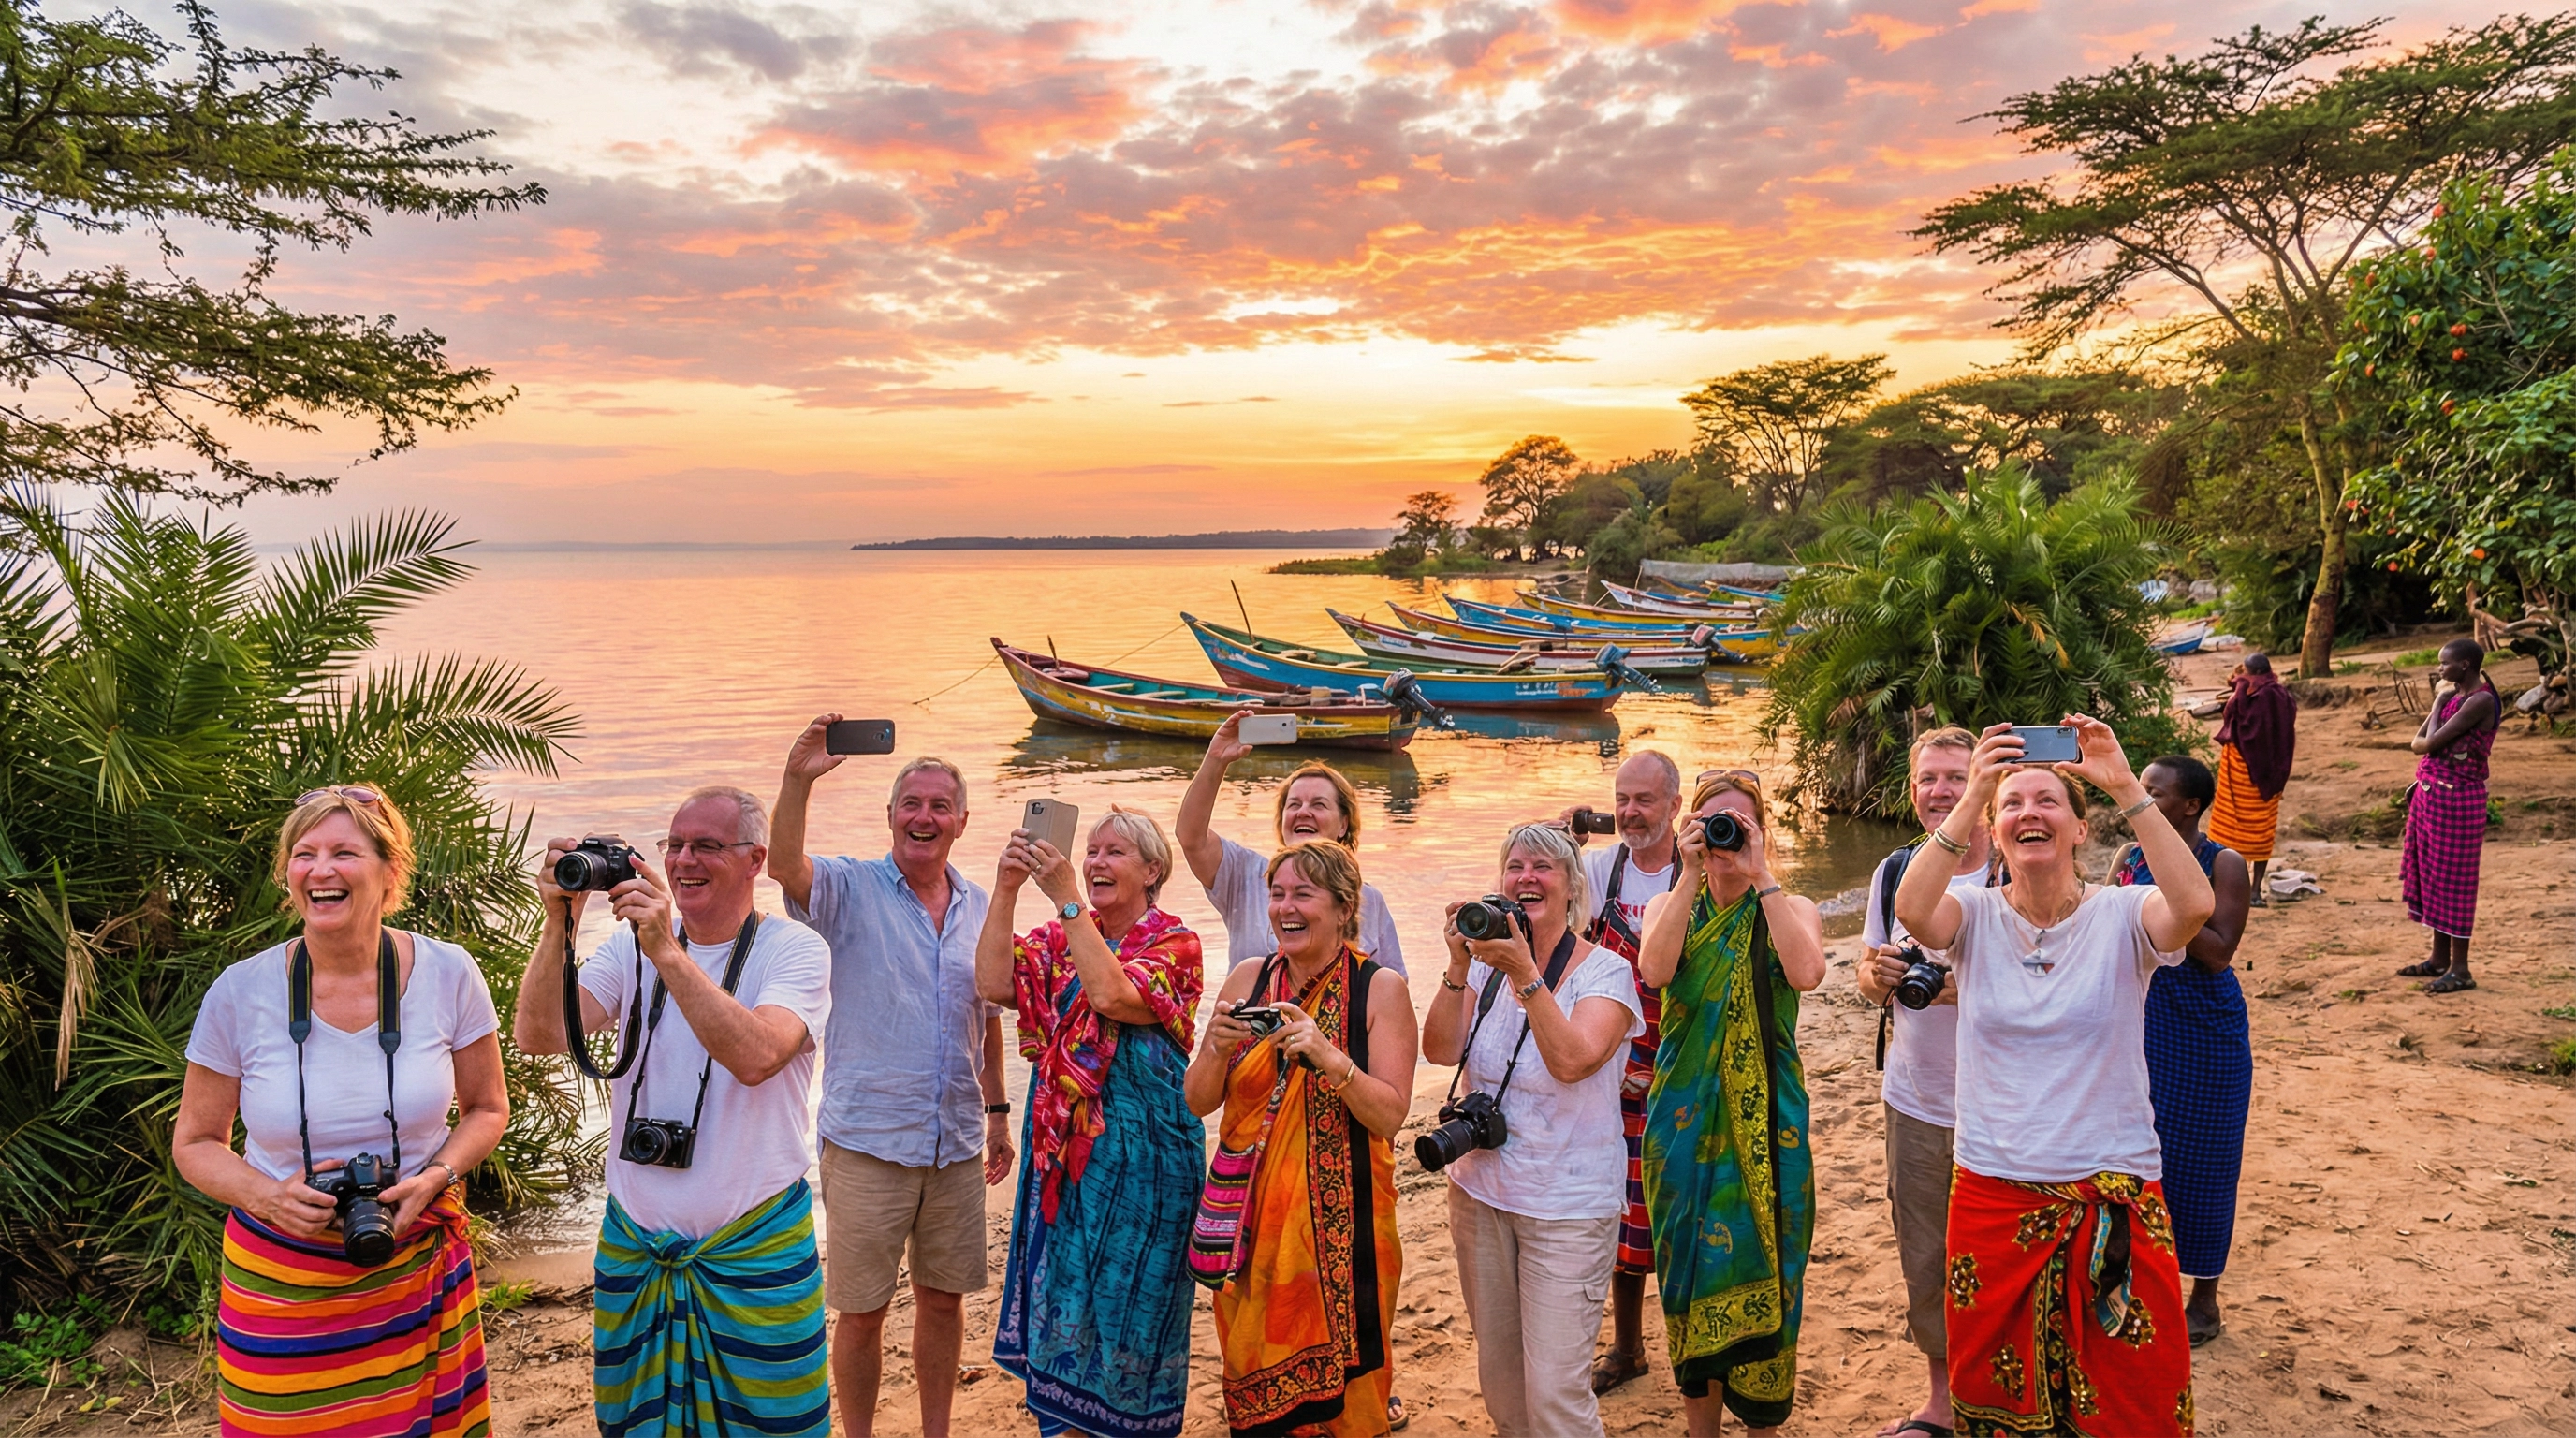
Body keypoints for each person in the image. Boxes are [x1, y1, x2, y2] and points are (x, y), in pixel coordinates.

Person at [1893, 718, 2216, 1438]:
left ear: (2079, 830)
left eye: (2047, 802)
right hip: (1993, 1189)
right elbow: (1913, 909)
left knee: (2136, 1401)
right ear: (1996, 834)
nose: (2028, 813)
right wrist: (1974, 787)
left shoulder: (2126, 915)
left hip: (2114, 1186)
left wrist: (2126, 784)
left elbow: (2195, 907)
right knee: (2002, 1405)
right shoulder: (1970, 914)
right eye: (2012, 806)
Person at [175, 785, 507, 1438]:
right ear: (289, 877)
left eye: (344, 853)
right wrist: (269, 1198)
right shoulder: (239, 992)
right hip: (282, 1278)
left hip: (414, 1262)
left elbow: (488, 1108)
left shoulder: (450, 972)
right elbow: (195, 1143)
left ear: (390, 872)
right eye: (304, 854)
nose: (320, 870)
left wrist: (435, 1176)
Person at [514, 787, 833, 1438]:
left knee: (780, 1423)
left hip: (755, 1249)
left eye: (707, 846)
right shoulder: (628, 948)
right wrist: (559, 923)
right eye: (675, 845)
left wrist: (666, 950)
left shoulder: (795, 950)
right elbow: (541, 1033)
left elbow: (757, 1055)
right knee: (636, 1424)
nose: (684, 860)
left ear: (755, 860)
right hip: (636, 1245)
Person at [769, 725, 1016, 1438]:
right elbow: (785, 866)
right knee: (862, 1309)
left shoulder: (980, 905)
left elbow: (988, 1014)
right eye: (911, 803)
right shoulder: (849, 888)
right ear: (890, 816)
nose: (924, 817)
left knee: (944, 1301)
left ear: (962, 821)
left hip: (956, 1144)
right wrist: (799, 778)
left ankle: (935, 1430)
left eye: (940, 805)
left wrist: (999, 1114)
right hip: (868, 1141)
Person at [975, 806, 1204, 1438]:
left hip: (1148, 1160)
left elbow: (1113, 997)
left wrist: (1070, 900)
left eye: (1114, 853)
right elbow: (993, 982)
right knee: (1067, 1302)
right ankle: (1074, 1425)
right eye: (1092, 851)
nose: (1096, 862)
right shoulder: (1056, 939)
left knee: (1137, 1307)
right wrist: (1005, 887)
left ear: (1152, 870)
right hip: (1067, 1151)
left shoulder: (1175, 942)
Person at [1185, 842, 1418, 1435]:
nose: (1285, 908)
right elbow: (1198, 1100)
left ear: (1344, 909)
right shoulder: (1248, 977)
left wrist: (1328, 1057)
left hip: (1350, 1232)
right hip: (1251, 1221)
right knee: (1249, 1367)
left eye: (1303, 894)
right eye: (1277, 893)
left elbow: (1390, 1116)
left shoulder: (1379, 988)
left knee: (1351, 1400)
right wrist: (1214, 1047)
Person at [1422, 822, 1643, 1438]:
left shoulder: (1606, 974)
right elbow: (1439, 1050)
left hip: (1567, 1208)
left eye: (1544, 867)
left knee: (1554, 1394)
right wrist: (1456, 964)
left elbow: (1572, 1061)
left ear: (1573, 887)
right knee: (1502, 1383)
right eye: (1516, 865)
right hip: (1480, 1197)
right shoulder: (1485, 968)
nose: (1527, 877)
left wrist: (1525, 973)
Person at [1632, 770, 1827, 1437]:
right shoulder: (1669, 905)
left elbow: (1805, 972)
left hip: (1772, 1122)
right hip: (1683, 1125)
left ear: (1761, 830)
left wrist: (1761, 871)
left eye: (1737, 823)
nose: (1722, 835)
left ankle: (1762, 1425)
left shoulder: (1791, 905)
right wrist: (1688, 874)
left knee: (1772, 1262)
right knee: (1687, 1269)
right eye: (1711, 822)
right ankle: (1701, 1430)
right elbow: (1654, 973)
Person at [1852, 728, 1993, 1438]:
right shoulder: (1897, 869)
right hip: (1914, 1098)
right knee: (1926, 1253)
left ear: (1985, 787)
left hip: (2004, 1103)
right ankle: (1942, 1398)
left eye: (1954, 778)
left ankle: (2006, 1392)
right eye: (1928, 779)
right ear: (1912, 792)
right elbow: (1871, 970)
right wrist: (1876, 978)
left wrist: (1955, 990)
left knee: (2004, 1251)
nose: (1940, 792)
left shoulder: (2015, 866)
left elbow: (2051, 978)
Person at [2113, 755, 2254, 1348]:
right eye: (2139, 787)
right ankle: (2139, 1281)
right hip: (2136, 1018)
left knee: (2203, 1164)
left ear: (2189, 805)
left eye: (2154, 791)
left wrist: (2167, 905)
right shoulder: (2128, 857)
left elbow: (2219, 950)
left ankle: (2206, 1298)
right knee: (2135, 1157)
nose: (2139, 798)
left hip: (2203, 1028)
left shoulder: (2223, 863)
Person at [1560, 751, 1684, 1396]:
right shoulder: (1598, 869)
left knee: (1677, 1207)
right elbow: (1557, 936)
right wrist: (1557, 851)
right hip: (1613, 1061)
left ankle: (1691, 1341)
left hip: (1683, 1060)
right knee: (1621, 1205)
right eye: (1622, 799)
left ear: (1674, 806)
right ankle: (1629, 1345)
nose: (1630, 812)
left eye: (1644, 799)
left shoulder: (1696, 869)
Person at [1178, 713, 1405, 974]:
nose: (1303, 812)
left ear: (1344, 824)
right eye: (1293, 805)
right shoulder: (1245, 874)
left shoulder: (1369, 899)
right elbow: (1191, 836)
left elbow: (1393, 988)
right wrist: (1216, 759)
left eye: (1318, 805)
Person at [2398, 638, 2501, 995]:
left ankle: (2461, 969)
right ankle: (2439, 959)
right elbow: (2417, 742)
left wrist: (2439, 700)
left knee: (2455, 882)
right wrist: (2441, 701)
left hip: (2458, 801)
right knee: (2434, 879)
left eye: (2446, 664)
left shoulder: (2480, 701)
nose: (2440, 669)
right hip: (2434, 795)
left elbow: (2427, 743)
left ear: (2466, 665)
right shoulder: (2461, 697)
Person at [2206, 653, 2297, 903]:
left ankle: (2232, 889)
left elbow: (2235, 716)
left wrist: (2240, 686)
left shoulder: (2252, 694)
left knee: (2230, 831)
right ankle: (2255, 890)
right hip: (2271, 776)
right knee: (2262, 832)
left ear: (2249, 673)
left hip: (2244, 773)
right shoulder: (2281, 694)